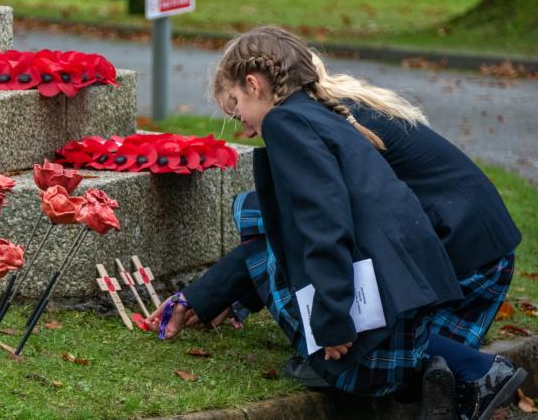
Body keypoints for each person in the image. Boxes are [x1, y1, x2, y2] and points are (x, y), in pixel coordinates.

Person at [145, 26, 526, 420]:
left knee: (264, 221)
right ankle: (446, 376)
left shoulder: (288, 123)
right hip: (446, 258)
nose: (242, 125)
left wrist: (330, 321)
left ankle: (472, 372)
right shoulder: (321, 112)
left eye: (236, 105)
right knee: (357, 343)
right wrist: (216, 296)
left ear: (255, 84)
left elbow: (317, 224)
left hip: (463, 256)